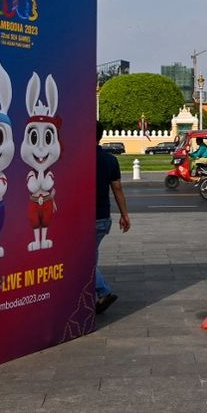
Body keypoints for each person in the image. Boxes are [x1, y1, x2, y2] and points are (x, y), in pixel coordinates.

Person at [96, 121, 130, 314]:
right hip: (103, 217)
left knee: (86, 260)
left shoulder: (79, 156)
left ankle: (103, 291)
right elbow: (117, 188)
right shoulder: (110, 160)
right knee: (92, 254)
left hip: (85, 218)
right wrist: (124, 215)